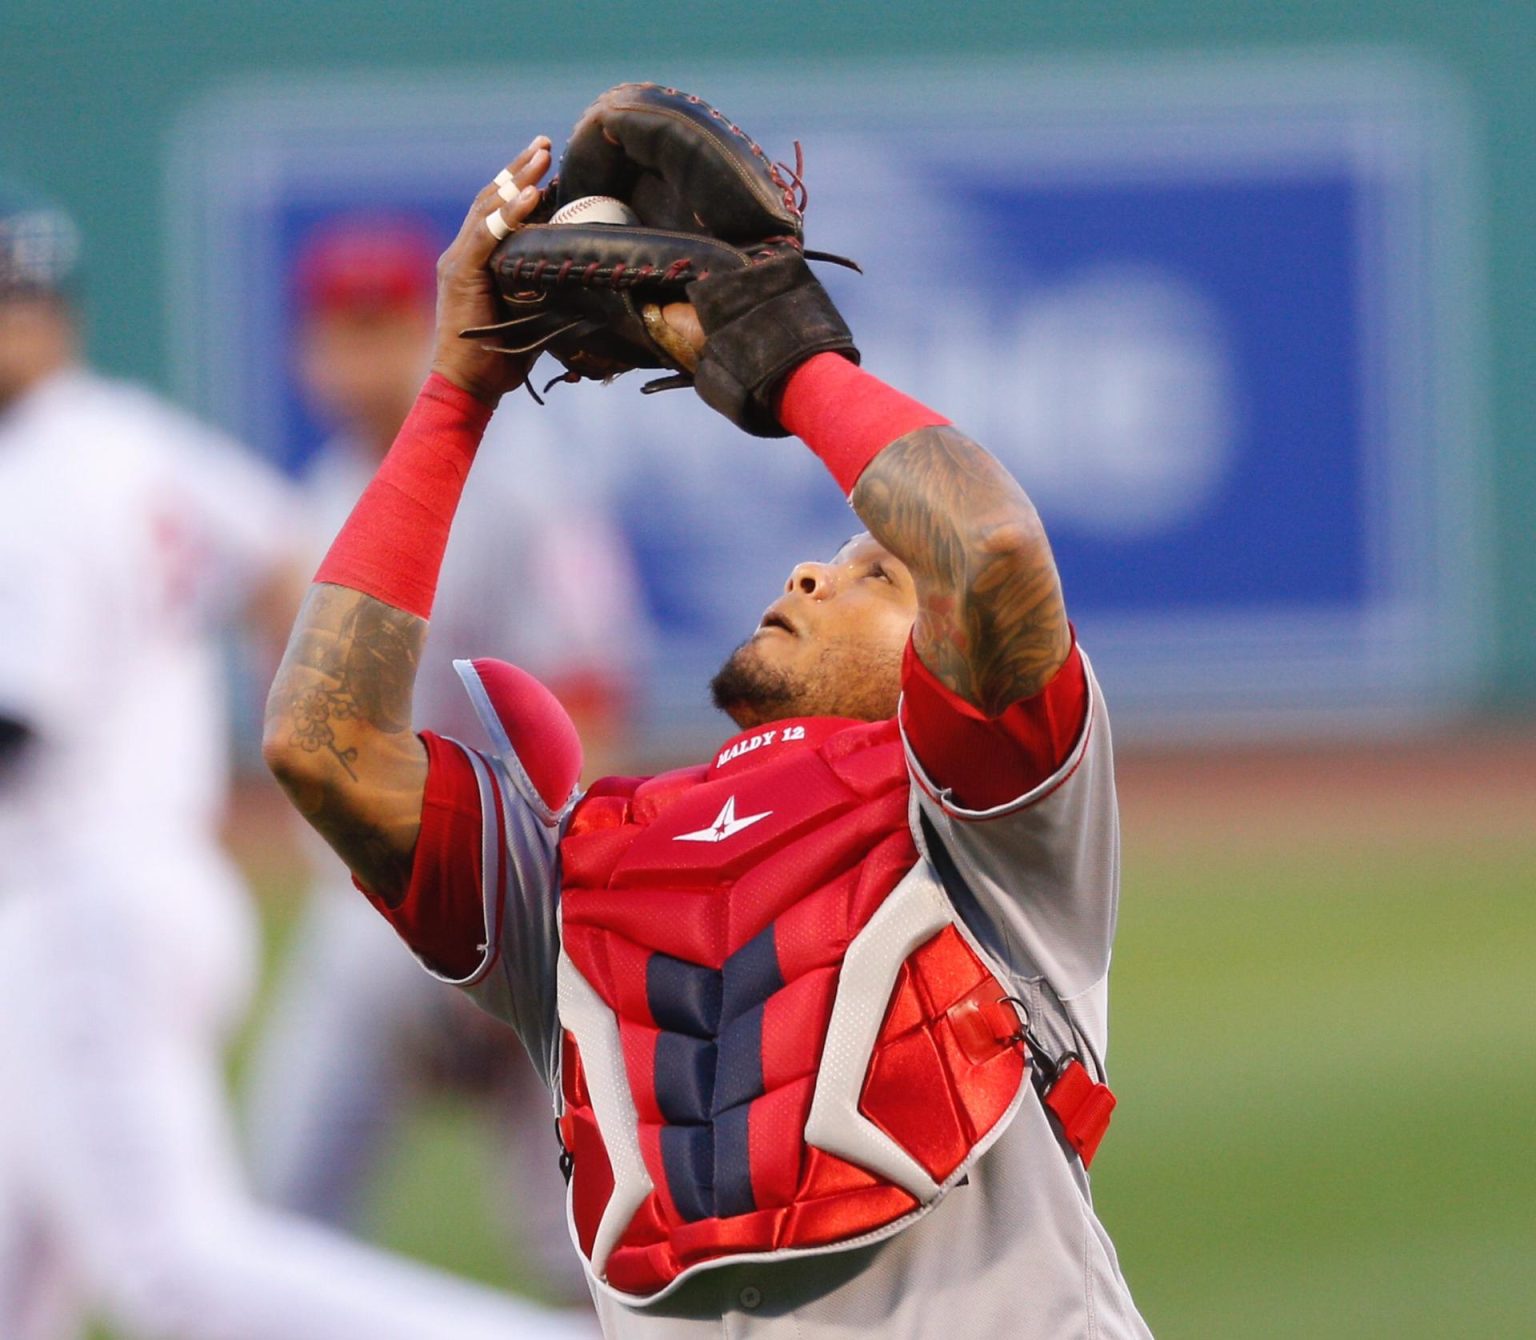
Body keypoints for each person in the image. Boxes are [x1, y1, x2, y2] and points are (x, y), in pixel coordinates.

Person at [263, 130, 1152, 1338]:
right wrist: (457, 386)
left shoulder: (991, 827)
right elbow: (324, 743)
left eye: (876, 572)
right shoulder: (586, 861)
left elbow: (989, 549)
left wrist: (785, 353)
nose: (812, 568)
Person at [0, 178, 592, 1340]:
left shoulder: (38, 479)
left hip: (80, 898)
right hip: (143, 881)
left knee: (177, 1269)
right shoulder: (127, 436)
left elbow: (22, 728)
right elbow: (284, 559)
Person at [244, 212, 640, 1306]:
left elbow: (587, 696)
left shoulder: (523, 487)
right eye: (341, 332)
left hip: (516, 901)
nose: (364, 359)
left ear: (433, 332)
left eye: (387, 328)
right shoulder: (304, 507)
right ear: (305, 354)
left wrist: (544, 910)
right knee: (268, 1225)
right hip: (357, 931)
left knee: (593, 1255)